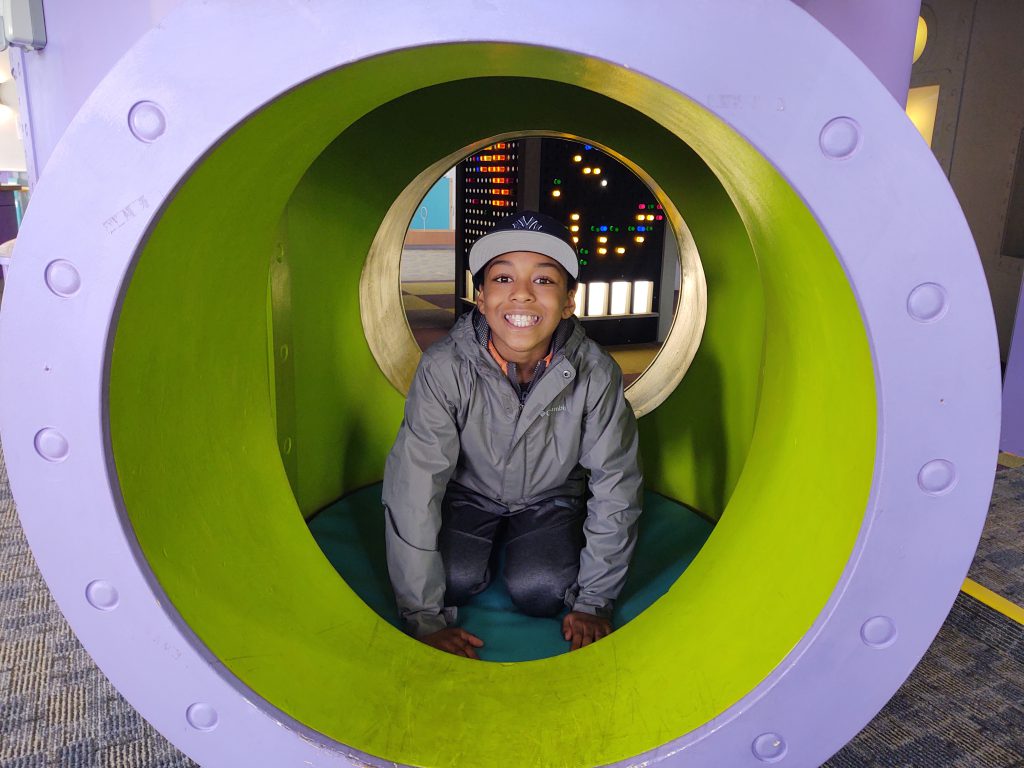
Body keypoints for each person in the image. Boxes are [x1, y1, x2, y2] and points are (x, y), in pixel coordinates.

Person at [383, 210, 643, 659]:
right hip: (470, 492)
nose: (521, 293)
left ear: (568, 302)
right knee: (455, 580)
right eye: (502, 278)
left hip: (550, 495)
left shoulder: (594, 372)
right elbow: (416, 483)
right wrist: (424, 617)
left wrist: (594, 601)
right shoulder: (446, 368)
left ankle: (533, 551)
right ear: (479, 297)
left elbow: (615, 482)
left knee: (542, 590)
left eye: (543, 280)